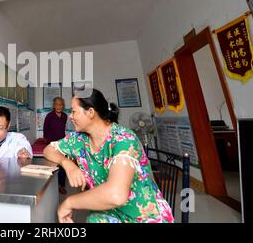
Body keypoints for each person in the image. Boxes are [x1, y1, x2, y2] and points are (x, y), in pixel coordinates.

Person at [44, 89, 174, 223]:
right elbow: (48, 150)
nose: (70, 116)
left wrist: (69, 202)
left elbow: (116, 195)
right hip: (108, 214)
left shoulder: (123, 139)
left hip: (143, 217)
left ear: (90, 112)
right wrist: (68, 164)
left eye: (74, 111)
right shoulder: (78, 139)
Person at [43, 97, 68, 194]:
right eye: (57, 104)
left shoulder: (65, 116)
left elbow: (62, 130)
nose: (59, 106)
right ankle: (50, 186)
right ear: (54, 106)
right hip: (52, 145)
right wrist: (50, 143)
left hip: (62, 144)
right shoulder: (49, 116)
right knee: (52, 165)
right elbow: (45, 132)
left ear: (63, 106)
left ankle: (61, 185)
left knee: (63, 165)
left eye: (61, 104)